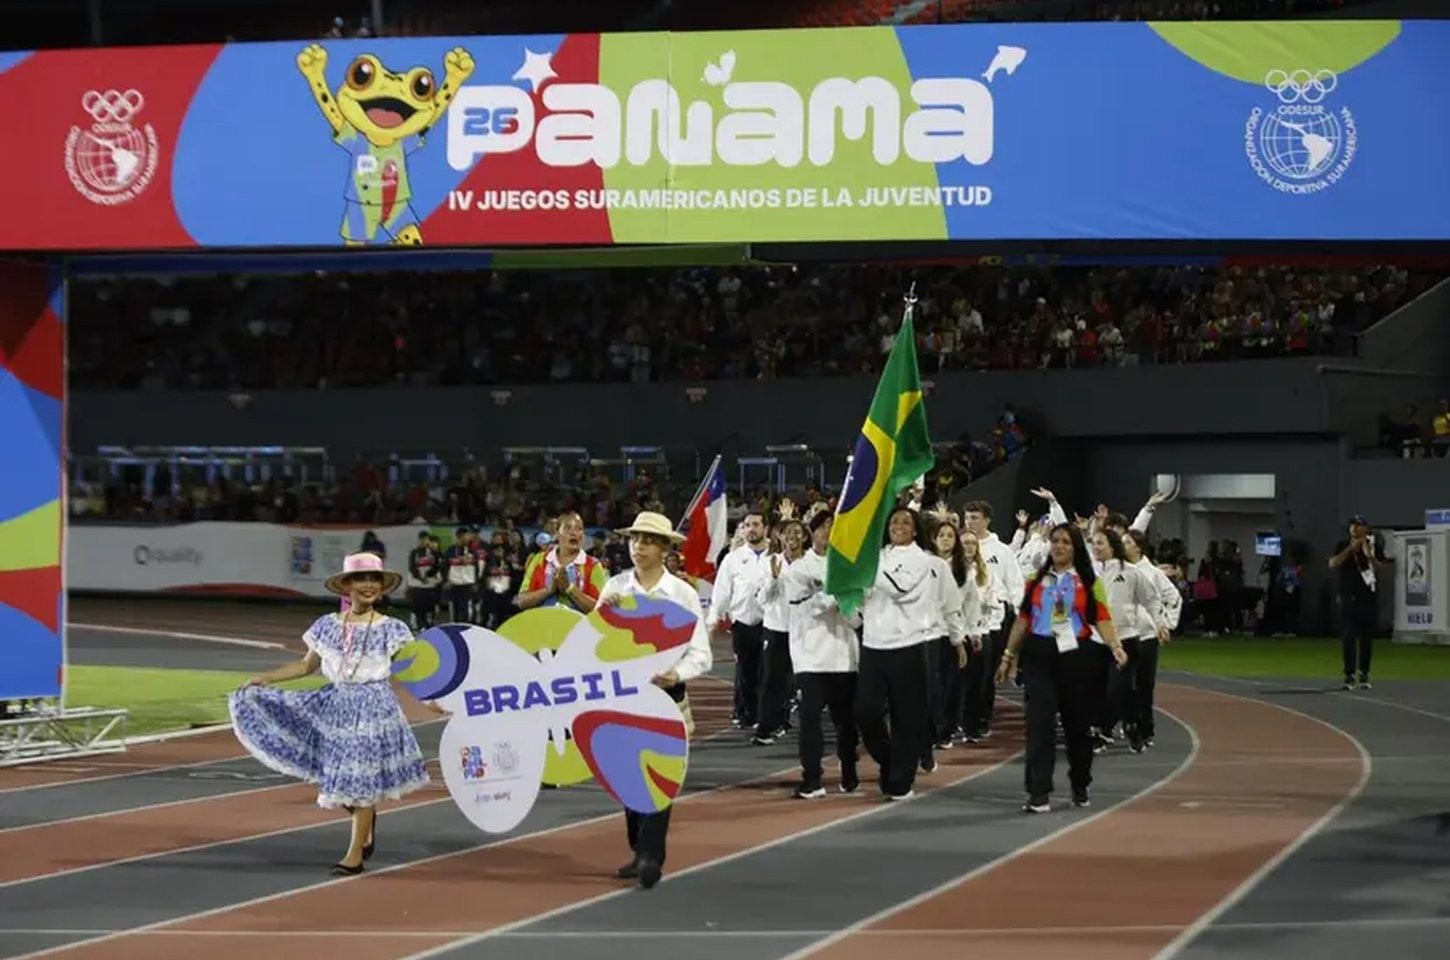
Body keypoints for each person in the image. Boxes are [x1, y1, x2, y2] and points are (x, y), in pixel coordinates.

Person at [229, 552, 430, 875]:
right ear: (347, 586)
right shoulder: (326, 626)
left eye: (374, 580)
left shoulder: (393, 629)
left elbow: (412, 671)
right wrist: (266, 677)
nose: (368, 586)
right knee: (338, 778)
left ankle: (354, 856)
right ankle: (365, 820)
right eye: (361, 579)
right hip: (335, 706)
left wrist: (432, 701)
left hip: (373, 708)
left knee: (360, 777)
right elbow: (306, 665)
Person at [598, 510, 714, 890]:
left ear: (665, 548)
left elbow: (701, 654)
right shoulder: (615, 587)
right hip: (623, 697)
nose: (639, 547)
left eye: (647, 540)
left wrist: (675, 674)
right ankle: (639, 849)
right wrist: (605, 617)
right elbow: (593, 646)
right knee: (629, 778)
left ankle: (651, 856)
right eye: (634, 539)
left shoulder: (682, 593)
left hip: (666, 698)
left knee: (660, 777)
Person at [997, 523, 1127, 813]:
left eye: (1066, 542)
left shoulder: (1090, 581)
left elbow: (1102, 617)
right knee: (1038, 725)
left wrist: (1115, 645)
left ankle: (1080, 783)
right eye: (1055, 541)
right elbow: (1023, 620)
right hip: (1040, 655)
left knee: (1077, 730)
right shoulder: (1035, 580)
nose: (1059, 546)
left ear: (1075, 547)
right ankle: (1038, 792)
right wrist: (1008, 655)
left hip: (1078, 657)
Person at [857, 506, 953, 801]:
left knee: (906, 719)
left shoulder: (924, 561)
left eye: (905, 522)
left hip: (908, 647)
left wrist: (867, 566)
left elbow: (900, 589)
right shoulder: (876, 556)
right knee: (866, 713)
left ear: (915, 530)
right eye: (894, 521)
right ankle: (890, 761)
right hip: (873, 646)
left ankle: (900, 781)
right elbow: (862, 601)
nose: (898, 525)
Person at [783, 509, 861, 797]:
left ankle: (849, 773)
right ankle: (812, 778)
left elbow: (857, 616)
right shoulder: (800, 568)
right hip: (809, 656)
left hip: (845, 656)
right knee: (810, 720)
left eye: (834, 526)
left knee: (846, 723)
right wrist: (839, 595)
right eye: (823, 526)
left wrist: (844, 602)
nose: (828, 531)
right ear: (811, 533)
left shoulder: (852, 567)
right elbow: (806, 605)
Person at [1329, 515, 1384, 690]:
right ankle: (1349, 675)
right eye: (1352, 525)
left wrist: (1370, 556)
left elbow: (1382, 568)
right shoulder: (1342, 544)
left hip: (1368, 597)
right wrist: (1350, 550)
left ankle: (1364, 673)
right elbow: (1332, 563)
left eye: (1358, 525)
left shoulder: (1375, 544)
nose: (1354, 528)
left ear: (1366, 528)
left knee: (1367, 639)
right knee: (1348, 638)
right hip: (1349, 598)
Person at [515, 511, 607, 614]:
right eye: (568, 528)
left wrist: (570, 589)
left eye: (579, 529)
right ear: (557, 533)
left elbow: (599, 610)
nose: (574, 533)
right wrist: (549, 590)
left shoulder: (593, 565)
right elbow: (522, 601)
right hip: (542, 627)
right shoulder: (539, 560)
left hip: (578, 629)